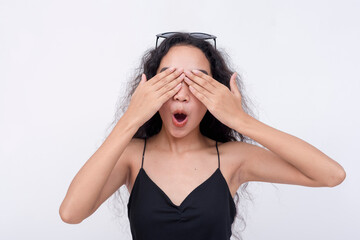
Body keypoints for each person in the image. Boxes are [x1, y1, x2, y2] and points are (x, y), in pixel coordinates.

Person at [59, 32, 346, 240]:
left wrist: (241, 120)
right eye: (169, 80)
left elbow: (331, 175)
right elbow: (71, 213)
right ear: (150, 90)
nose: (181, 94)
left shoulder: (233, 159)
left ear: (213, 94)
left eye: (195, 82)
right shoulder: (132, 156)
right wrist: (132, 117)